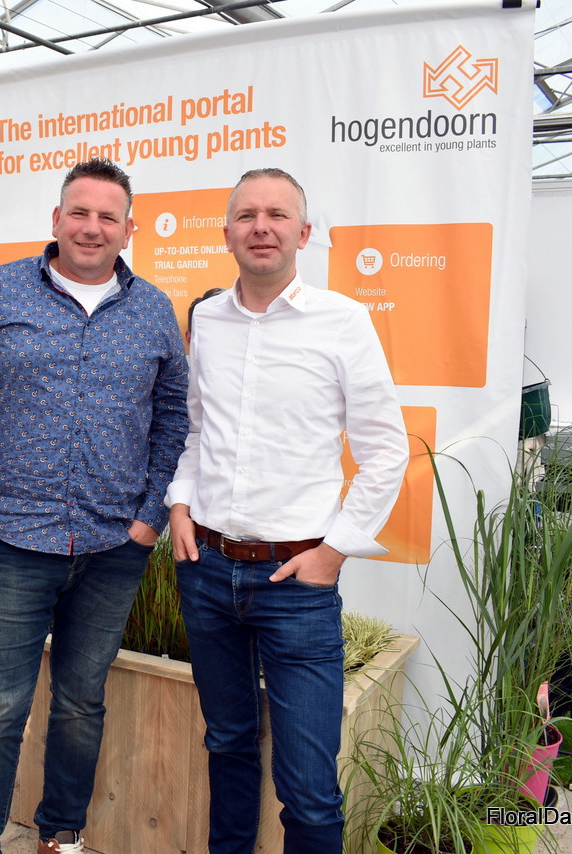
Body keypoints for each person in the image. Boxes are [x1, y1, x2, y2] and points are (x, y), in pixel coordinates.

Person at [0, 158, 189, 854]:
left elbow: (173, 418)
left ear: (128, 229)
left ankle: (61, 835)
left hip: (113, 547)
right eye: (80, 212)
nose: (92, 227)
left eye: (108, 216)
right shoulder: (0, 290)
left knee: (80, 702)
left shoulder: (154, 311)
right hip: (13, 539)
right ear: (56, 219)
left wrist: (148, 518)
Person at [165, 168, 409, 853]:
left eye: (277, 215)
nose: (261, 227)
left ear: (303, 234)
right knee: (227, 744)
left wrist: (335, 550)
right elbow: (195, 430)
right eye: (247, 215)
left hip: (295, 585)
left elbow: (386, 450)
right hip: (207, 570)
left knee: (308, 792)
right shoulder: (207, 320)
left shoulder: (343, 321)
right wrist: (180, 504)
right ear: (227, 233)